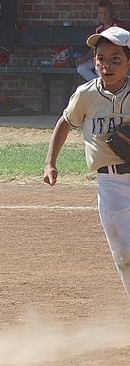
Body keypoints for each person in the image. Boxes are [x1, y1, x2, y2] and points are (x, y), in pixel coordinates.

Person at [44, 26, 130, 296]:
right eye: (101, 58)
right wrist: (50, 162)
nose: (107, 65)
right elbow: (65, 123)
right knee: (124, 253)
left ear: (129, 61)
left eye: (116, 58)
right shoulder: (86, 94)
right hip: (111, 183)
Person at [76, 0, 128, 82]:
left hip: (113, 58)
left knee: (100, 69)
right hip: (99, 56)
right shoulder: (98, 29)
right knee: (81, 68)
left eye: (106, 13)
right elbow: (94, 48)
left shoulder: (119, 27)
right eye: (101, 13)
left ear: (112, 13)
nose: (104, 16)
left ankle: (104, 85)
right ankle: (97, 84)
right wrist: (84, 58)